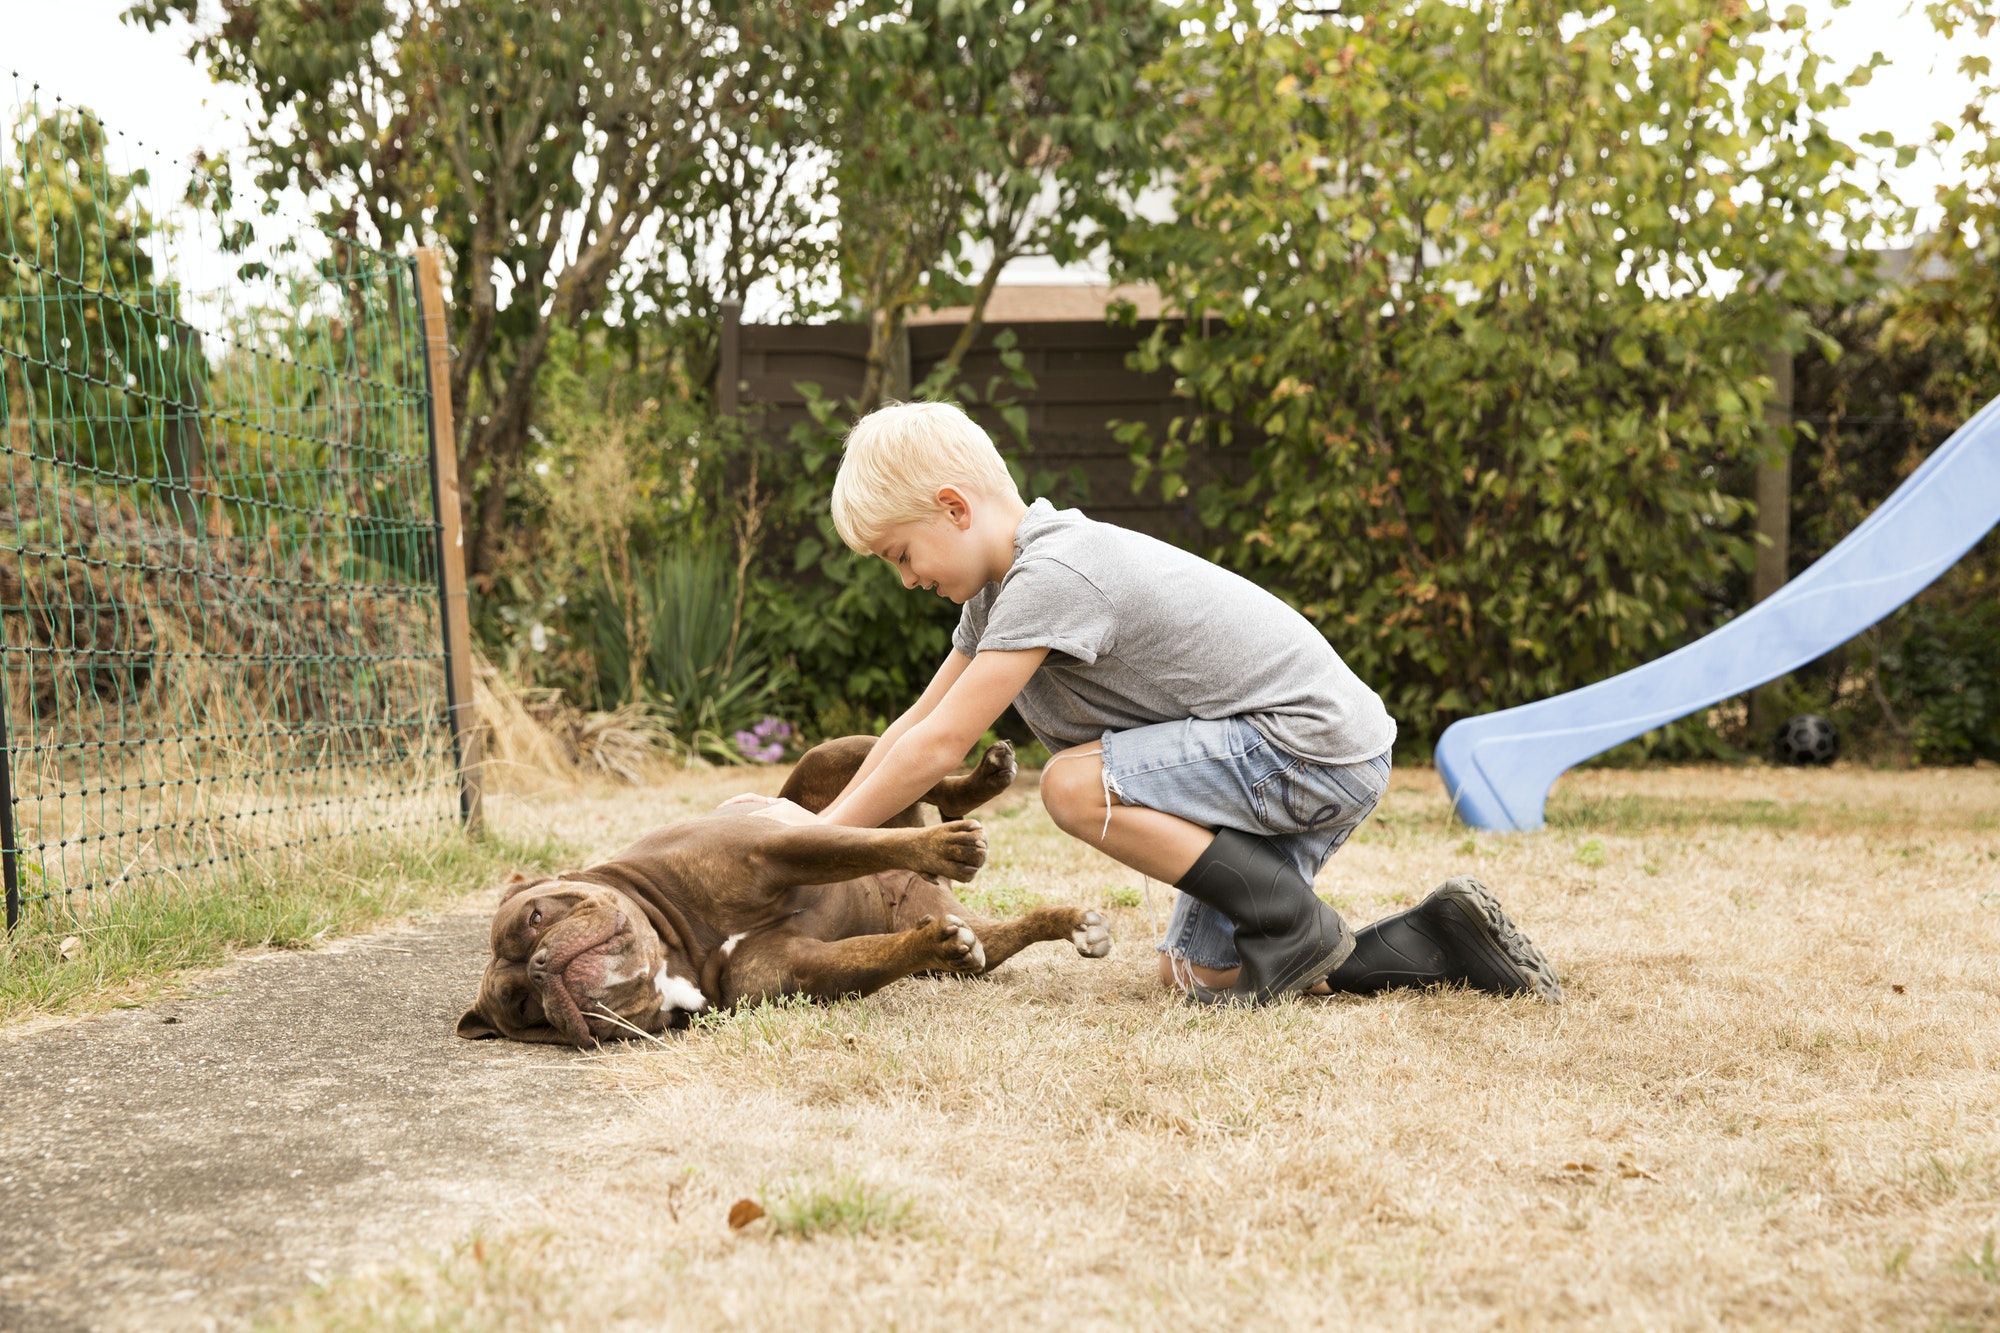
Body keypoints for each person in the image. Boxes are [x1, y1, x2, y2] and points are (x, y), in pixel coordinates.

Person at [809, 400, 1559, 1006]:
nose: (904, 578)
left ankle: (1288, 916)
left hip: (1304, 744)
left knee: (1073, 784)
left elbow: (942, 746)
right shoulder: (998, 597)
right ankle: (1435, 938)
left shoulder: (1054, 571)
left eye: (901, 554)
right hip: (1293, 753)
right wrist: (808, 829)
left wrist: (810, 851)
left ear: (953, 507)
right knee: (1193, 973)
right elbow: (915, 724)